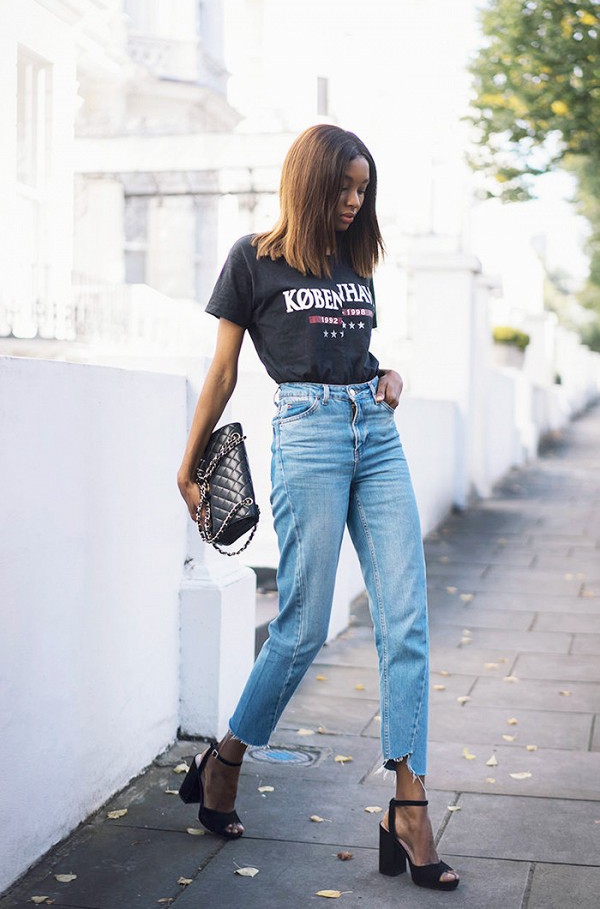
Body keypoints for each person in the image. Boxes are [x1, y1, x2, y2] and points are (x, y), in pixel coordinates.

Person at [176, 124, 459, 891]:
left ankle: (410, 805)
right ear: (310, 181)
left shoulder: (354, 260)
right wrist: (188, 461)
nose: (354, 200)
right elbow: (224, 370)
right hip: (307, 434)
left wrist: (387, 372)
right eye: (343, 187)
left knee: (406, 619)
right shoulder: (253, 257)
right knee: (301, 625)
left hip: (376, 430)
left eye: (363, 189)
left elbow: (351, 350)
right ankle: (225, 758)